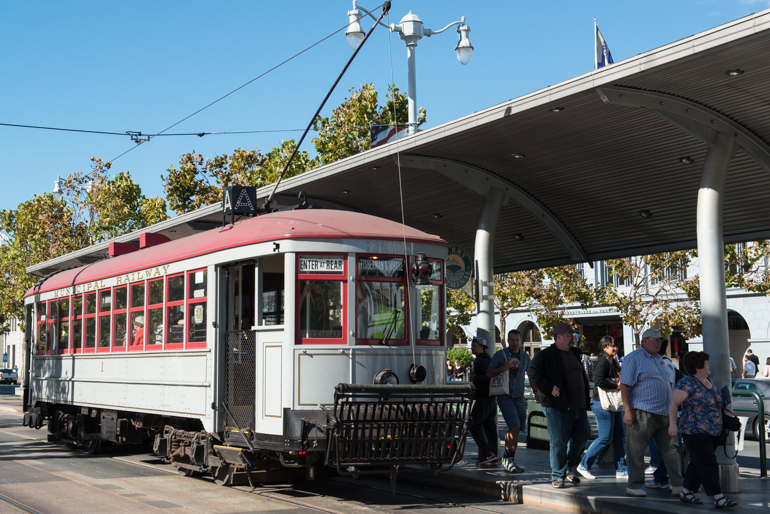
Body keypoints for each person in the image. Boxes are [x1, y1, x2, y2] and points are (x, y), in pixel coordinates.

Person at [668, 351, 738, 508]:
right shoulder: (686, 383)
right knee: (708, 462)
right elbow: (673, 403)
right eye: (706, 363)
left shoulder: (708, 381)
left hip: (712, 430)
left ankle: (686, 492)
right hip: (694, 430)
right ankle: (718, 497)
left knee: (698, 461)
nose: (709, 365)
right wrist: (673, 424)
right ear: (698, 366)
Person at [620, 327, 683, 497]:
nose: (658, 342)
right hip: (642, 411)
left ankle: (678, 484)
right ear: (644, 341)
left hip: (664, 412)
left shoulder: (659, 360)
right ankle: (634, 485)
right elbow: (624, 385)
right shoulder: (634, 358)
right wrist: (627, 411)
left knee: (672, 449)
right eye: (655, 339)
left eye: (660, 340)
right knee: (636, 450)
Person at [528, 322, 591, 488]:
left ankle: (569, 466)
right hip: (557, 406)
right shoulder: (547, 355)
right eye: (570, 334)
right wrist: (548, 388)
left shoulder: (575, 353)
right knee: (559, 441)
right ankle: (557, 475)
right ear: (560, 336)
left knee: (583, 434)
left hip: (578, 406)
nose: (573, 337)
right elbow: (532, 372)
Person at [577, 335, 628, 480]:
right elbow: (599, 381)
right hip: (602, 403)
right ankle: (584, 465)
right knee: (605, 437)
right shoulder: (602, 362)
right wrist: (616, 385)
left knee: (619, 436)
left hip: (613, 403)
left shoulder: (614, 361)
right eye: (612, 346)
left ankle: (621, 469)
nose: (615, 348)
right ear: (604, 347)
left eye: (615, 345)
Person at [487, 329, 531, 474]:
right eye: (512, 340)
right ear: (508, 340)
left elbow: (532, 374)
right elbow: (489, 372)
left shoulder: (525, 356)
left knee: (517, 429)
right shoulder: (501, 354)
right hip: (505, 394)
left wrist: (536, 392)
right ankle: (506, 458)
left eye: (517, 340)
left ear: (521, 341)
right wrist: (502, 368)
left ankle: (511, 459)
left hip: (519, 395)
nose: (514, 343)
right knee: (514, 425)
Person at [468, 337, 498, 467]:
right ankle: (493, 453)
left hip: (484, 397)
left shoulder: (483, 359)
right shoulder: (483, 358)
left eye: (474, 345)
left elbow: (489, 376)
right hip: (489, 397)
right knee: (489, 426)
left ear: (481, 347)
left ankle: (487, 452)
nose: (471, 348)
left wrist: (475, 378)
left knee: (474, 423)